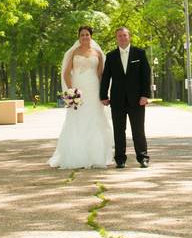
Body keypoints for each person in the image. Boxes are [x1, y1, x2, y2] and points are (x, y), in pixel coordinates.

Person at [48, 26, 112, 169]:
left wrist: (103, 93)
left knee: (95, 119)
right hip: (78, 89)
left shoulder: (98, 54)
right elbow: (66, 73)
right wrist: (71, 91)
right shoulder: (73, 52)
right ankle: (76, 156)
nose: (85, 37)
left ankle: (95, 156)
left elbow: (101, 76)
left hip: (94, 89)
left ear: (91, 36)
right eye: (82, 35)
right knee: (76, 120)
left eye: (87, 34)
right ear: (79, 37)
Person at [100, 26, 151, 168]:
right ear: (116, 39)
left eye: (124, 35)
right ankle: (120, 159)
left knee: (138, 130)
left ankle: (143, 157)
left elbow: (146, 76)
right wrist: (103, 95)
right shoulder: (111, 56)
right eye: (119, 36)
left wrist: (145, 95)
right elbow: (105, 77)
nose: (122, 38)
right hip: (117, 100)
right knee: (118, 130)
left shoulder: (139, 54)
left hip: (137, 99)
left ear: (129, 37)